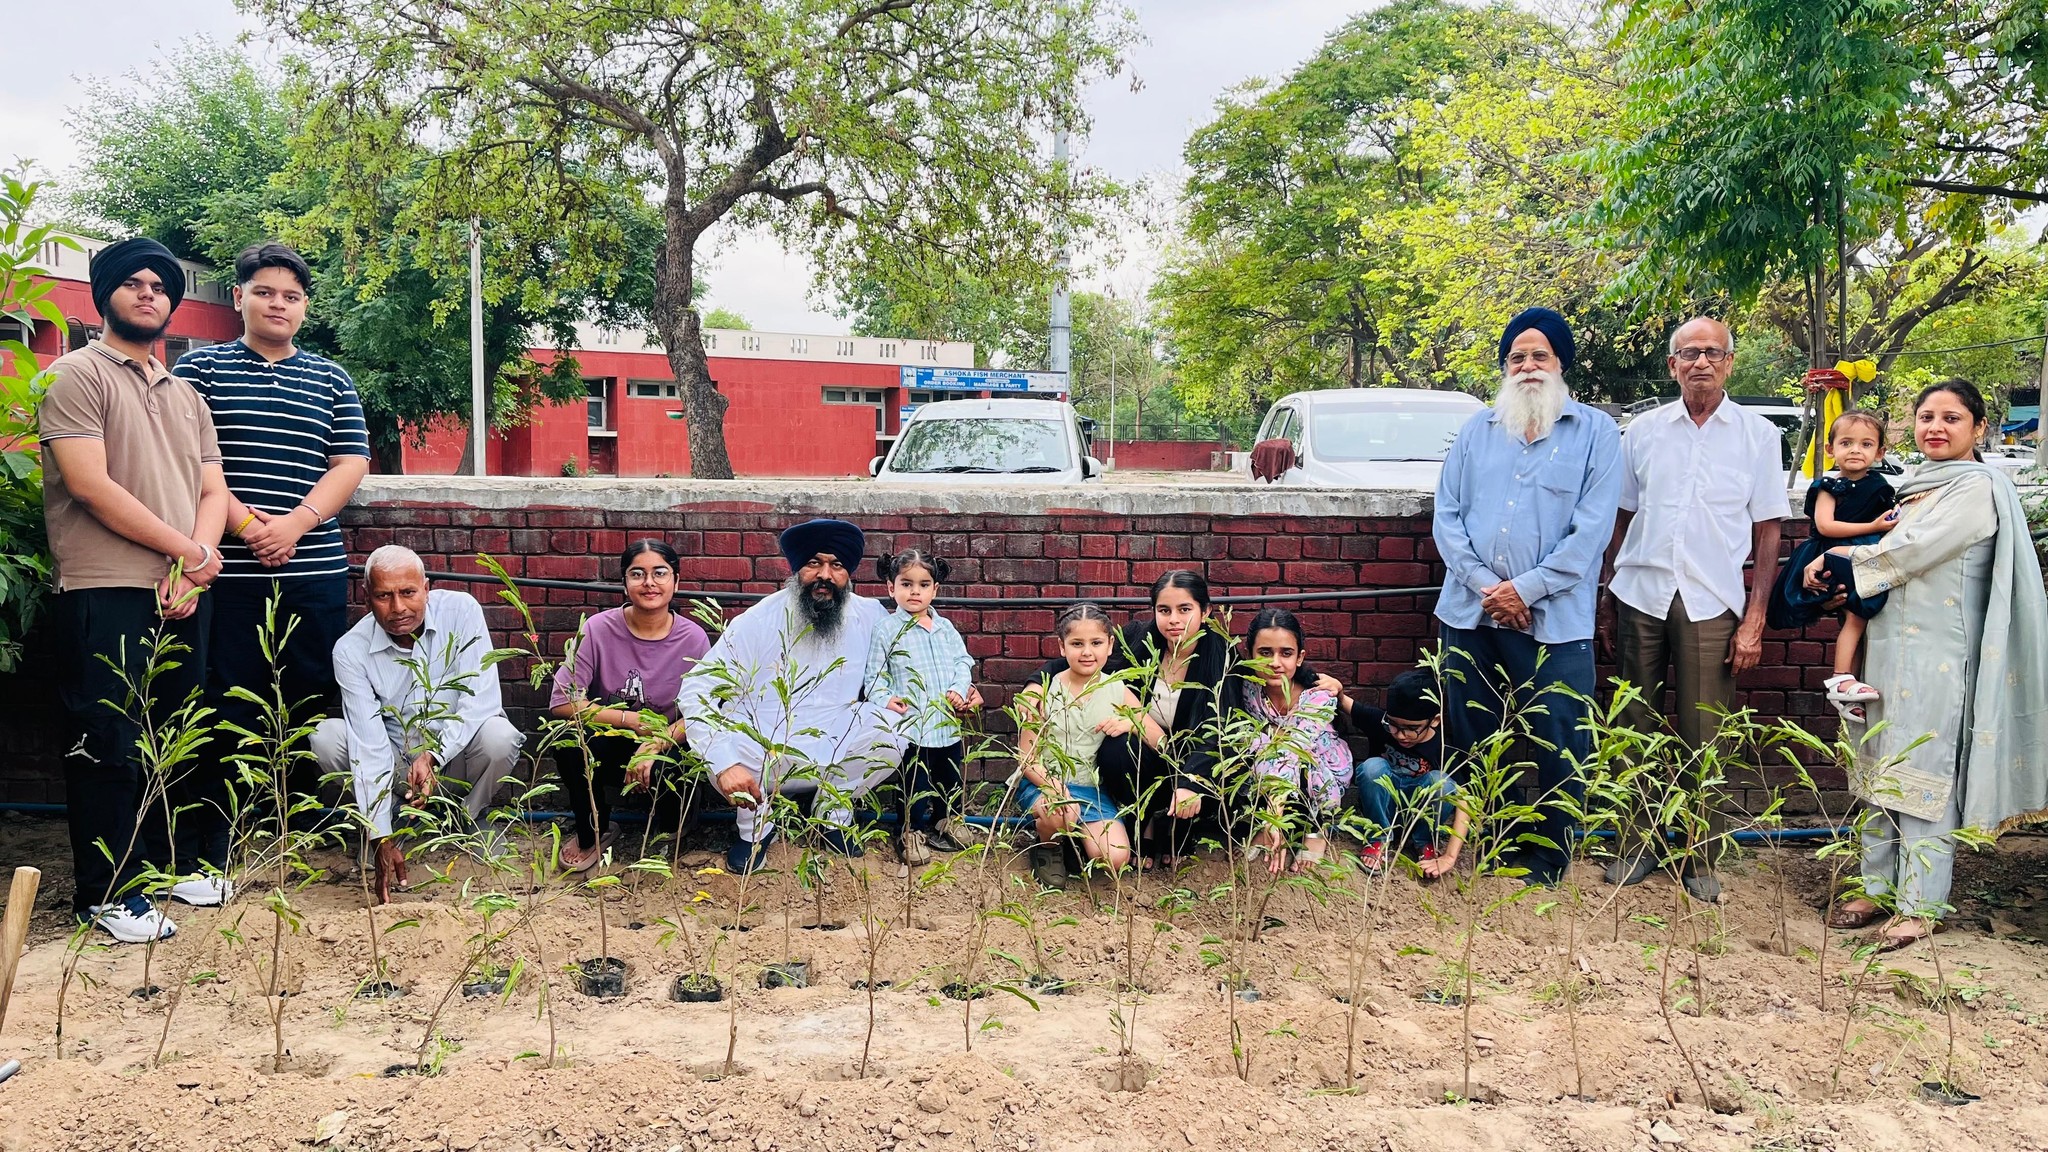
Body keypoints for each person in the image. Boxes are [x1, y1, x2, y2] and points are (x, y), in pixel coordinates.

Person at [1808, 381, 2048, 951]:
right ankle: (1875, 888)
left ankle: (1920, 903)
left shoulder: (1977, 489)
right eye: (1926, 417)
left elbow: (1914, 552)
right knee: (1879, 762)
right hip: (1889, 648)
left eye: (1952, 418)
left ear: (1979, 429)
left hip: (1942, 655)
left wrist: (1838, 557)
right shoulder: (1914, 487)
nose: (1936, 427)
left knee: (1924, 773)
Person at [40, 237, 228, 942]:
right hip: (102, 588)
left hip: (180, 590)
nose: (149, 293)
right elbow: (90, 486)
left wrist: (195, 560)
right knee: (107, 741)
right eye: (134, 284)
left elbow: (213, 488)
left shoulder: (185, 394)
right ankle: (108, 893)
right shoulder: (76, 375)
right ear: (106, 295)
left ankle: (161, 870)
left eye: (160, 285)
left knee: (174, 736)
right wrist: (189, 552)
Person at [171, 242, 371, 905]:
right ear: (239, 298)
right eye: (265, 292)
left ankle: (306, 825)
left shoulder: (331, 379)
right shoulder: (199, 371)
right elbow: (189, 464)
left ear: (304, 306)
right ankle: (222, 832)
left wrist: (295, 523)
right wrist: (248, 526)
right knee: (225, 702)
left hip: (312, 569)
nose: (277, 304)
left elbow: (349, 463)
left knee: (312, 700)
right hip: (226, 575)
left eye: (290, 295)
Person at [1598, 316, 1791, 901]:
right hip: (1640, 594)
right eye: (1689, 353)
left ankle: (1700, 856)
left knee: (1706, 732)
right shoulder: (1644, 432)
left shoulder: (1757, 435)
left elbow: (1768, 532)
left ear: (1730, 362)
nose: (1701, 362)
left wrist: (1754, 619)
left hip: (1713, 600)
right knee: (1633, 726)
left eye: (1713, 352)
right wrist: (1607, 596)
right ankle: (1636, 845)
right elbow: (1622, 518)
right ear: (1672, 365)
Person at [1432, 307, 1620, 887]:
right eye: (1518, 357)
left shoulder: (1596, 433)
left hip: (1556, 622)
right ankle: (1495, 842)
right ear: (1505, 366)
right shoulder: (1477, 430)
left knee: (1559, 735)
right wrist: (1491, 590)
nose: (1529, 366)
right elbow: (1447, 517)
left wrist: (1525, 591)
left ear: (1561, 363)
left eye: (1541, 355)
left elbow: (1591, 535)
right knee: (1475, 733)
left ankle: (1549, 856)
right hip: (1470, 613)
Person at [679, 519, 957, 873]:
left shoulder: (869, 615)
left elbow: (914, 656)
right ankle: (755, 830)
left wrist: (961, 688)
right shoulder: (759, 619)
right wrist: (723, 762)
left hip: (835, 742)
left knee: (895, 728)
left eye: (836, 565)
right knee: (732, 737)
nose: (825, 574)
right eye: (814, 563)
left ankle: (832, 813)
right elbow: (698, 687)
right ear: (797, 569)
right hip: (764, 750)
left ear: (848, 575)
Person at [312, 546, 524, 904]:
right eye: (384, 596)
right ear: (366, 598)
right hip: (396, 766)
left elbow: (480, 699)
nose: (398, 609)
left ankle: (465, 821)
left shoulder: (461, 611)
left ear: (426, 588)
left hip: (451, 758)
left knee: (499, 737)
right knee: (326, 737)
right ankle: (390, 828)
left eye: (408, 593)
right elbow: (369, 744)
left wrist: (435, 755)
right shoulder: (350, 651)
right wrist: (380, 835)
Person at [1040, 570, 1234, 867]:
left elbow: (1217, 731)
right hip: (1146, 753)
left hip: (1190, 761)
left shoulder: (1221, 657)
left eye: (1185, 610)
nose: (1174, 620)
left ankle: (1174, 828)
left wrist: (1190, 782)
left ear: (1205, 611)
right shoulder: (1140, 640)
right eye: (1164, 610)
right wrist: (1033, 684)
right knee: (1117, 745)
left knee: (1179, 833)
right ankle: (1137, 822)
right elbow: (1084, 659)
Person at [548, 539, 711, 872]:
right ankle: (594, 831)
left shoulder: (694, 638)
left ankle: (672, 832)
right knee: (567, 742)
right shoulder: (597, 629)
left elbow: (706, 711)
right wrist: (628, 720)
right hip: (612, 733)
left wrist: (659, 741)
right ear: (624, 583)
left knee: (679, 774)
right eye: (638, 574)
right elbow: (562, 702)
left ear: (676, 582)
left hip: (669, 740)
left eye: (660, 573)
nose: (649, 583)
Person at [1014, 604, 1163, 885]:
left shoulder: (1117, 689)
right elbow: (1026, 757)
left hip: (1091, 789)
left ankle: (1076, 841)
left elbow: (1159, 738)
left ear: (1109, 646)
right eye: (1077, 644)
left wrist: (1132, 723)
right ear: (1062, 647)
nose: (1087, 652)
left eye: (1096, 643)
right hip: (1046, 785)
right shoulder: (1044, 690)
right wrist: (1052, 786)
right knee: (1063, 812)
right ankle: (1047, 846)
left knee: (1116, 857)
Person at [1766, 410, 1898, 722]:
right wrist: (1874, 525)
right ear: (1831, 449)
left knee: (1863, 620)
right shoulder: (1828, 486)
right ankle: (1841, 677)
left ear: (1879, 452)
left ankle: (1853, 684)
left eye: (1866, 444)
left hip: (1865, 556)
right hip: (1833, 553)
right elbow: (1825, 526)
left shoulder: (1880, 486)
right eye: (1847, 442)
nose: (1856, 450)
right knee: (1855, 615)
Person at [862, 548, 975, 866]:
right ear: (890, 587)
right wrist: (885, 698)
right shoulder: (886, 630)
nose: (915, 591)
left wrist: (958, 689)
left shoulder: (945, 629)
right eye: (906, 583)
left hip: (947, 724)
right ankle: (910, 831)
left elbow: (962, 663)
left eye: (924, 584)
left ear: (935, 589)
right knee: (915, 783)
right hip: (912, 726)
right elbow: (874, 675)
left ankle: (947, 819)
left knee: (950, 779)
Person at [1237, 609, 1352, 875]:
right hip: (1272, 767)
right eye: (1265, 653)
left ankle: (1316, 829)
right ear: (1250, 655)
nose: (1275, 662)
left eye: (1285, 653)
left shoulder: (1318, 695)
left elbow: (1295, 747)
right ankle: (1279, 831)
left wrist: (1274, 814)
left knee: (1292, 757)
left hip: (1319, 769)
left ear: (1300, 657)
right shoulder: (1247, 690)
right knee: (1258, 750)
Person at [1327, 668, 1466, 879]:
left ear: (1435, 720)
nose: (1400, 734)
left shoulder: (1444, 747)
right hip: (1384, 809)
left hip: (1418, 814)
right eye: (1393, 724)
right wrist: (1336, 688)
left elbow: (1466, 801)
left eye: (1411, 728)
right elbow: (1346, 702)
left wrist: (1450, 856)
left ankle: (1424, 842)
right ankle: (1378, 838)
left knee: (1442, 782)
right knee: (1373, 767)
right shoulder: (1380, 723)